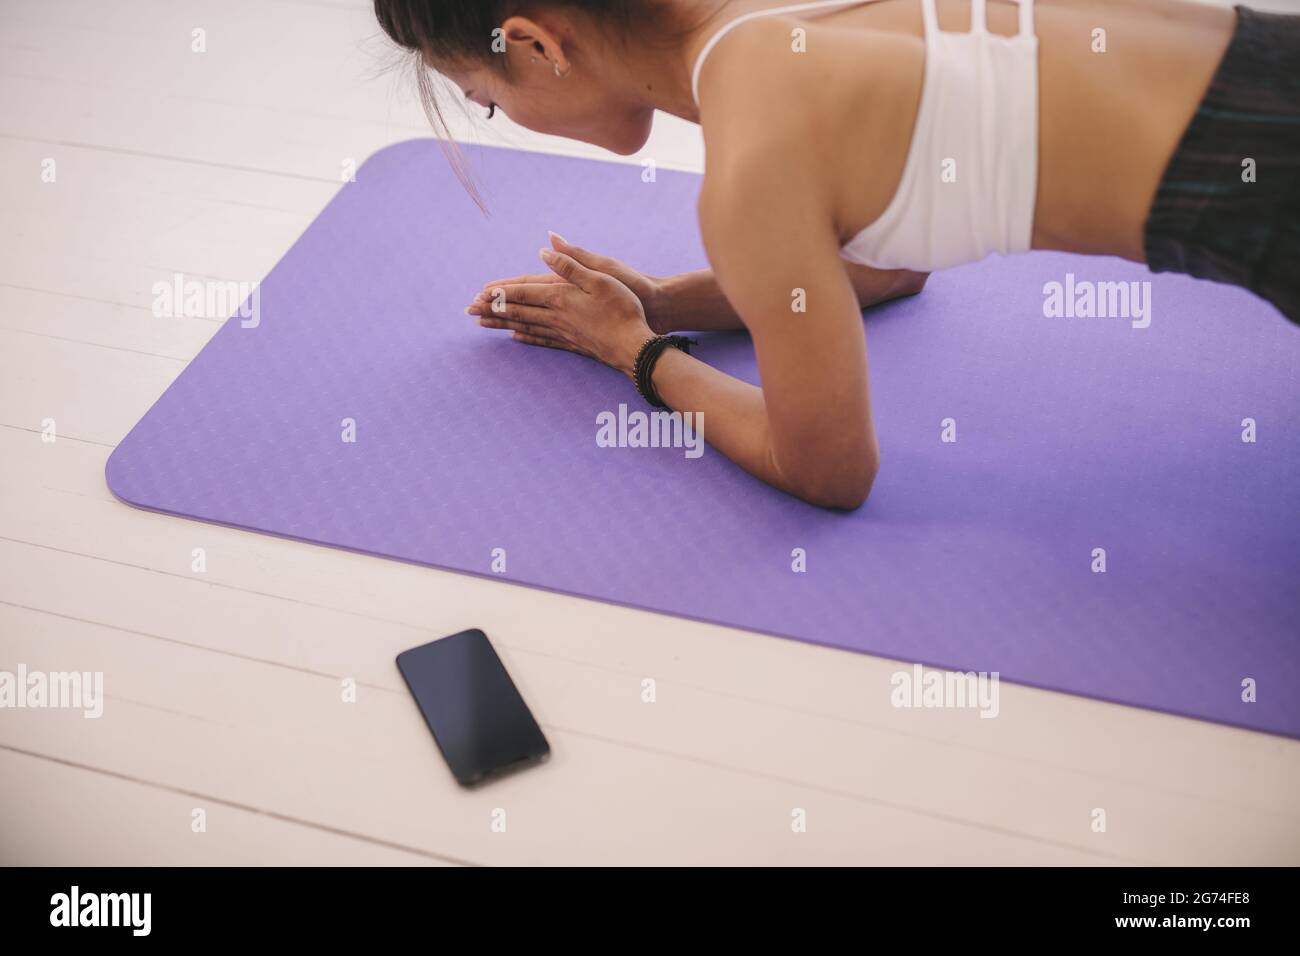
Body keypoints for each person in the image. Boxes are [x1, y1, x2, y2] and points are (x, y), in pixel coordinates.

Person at [375, 0, 1299, 508]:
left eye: (485, 96)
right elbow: (898, 264)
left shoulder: (752, 168)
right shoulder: (765, 27)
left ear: (537, 43)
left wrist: (635, 353)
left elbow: (829, 471)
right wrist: (658, 298)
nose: (503, 118)